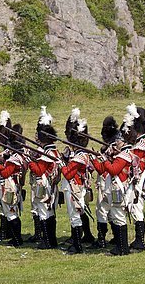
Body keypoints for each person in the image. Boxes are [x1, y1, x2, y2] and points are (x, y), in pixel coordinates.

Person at [91, 116, 133, 256]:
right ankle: (121, 247)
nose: (116, 143)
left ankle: (122, 248)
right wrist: (100, 159)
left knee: (119, 218)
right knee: (116, 217)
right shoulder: (120, 154)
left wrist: (105, 160)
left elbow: (113, 170)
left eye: (118, 141)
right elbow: (104, 170)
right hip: (115, 189)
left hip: (119, 189)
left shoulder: (125, 155)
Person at [60, 108, 92, 254]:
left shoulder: (79, 157)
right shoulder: (80, 154)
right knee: (75, 215)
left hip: (74, 187)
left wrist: (61, 163)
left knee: (75, 216)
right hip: (75, 186)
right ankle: (77, 243)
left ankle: (77, 246)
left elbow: (67, 173)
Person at [124, 104, 145, 252]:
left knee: (137, 208)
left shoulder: (142, 145)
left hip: (139, 180)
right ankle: (138, 240)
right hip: (138, 179)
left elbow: (137, 166)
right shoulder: (138, 143)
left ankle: (140, 241)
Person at [28, 106, 60, 249]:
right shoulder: (51, 150)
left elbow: (39, 170)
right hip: (48, 186)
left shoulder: (47, 153)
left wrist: (30, 161)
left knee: (44, 212)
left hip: (45, 186)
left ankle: (47, 241)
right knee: (48, 213)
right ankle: (50, 240)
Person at [0, 118, 26, 248]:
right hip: (10, 186)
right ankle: (15, 238)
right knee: (10, 213)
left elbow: (5, 173)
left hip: (10, 187)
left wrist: (0, 164)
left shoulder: (14, 159)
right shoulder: (15, 156)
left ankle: (17, 239)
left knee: (11, 213)